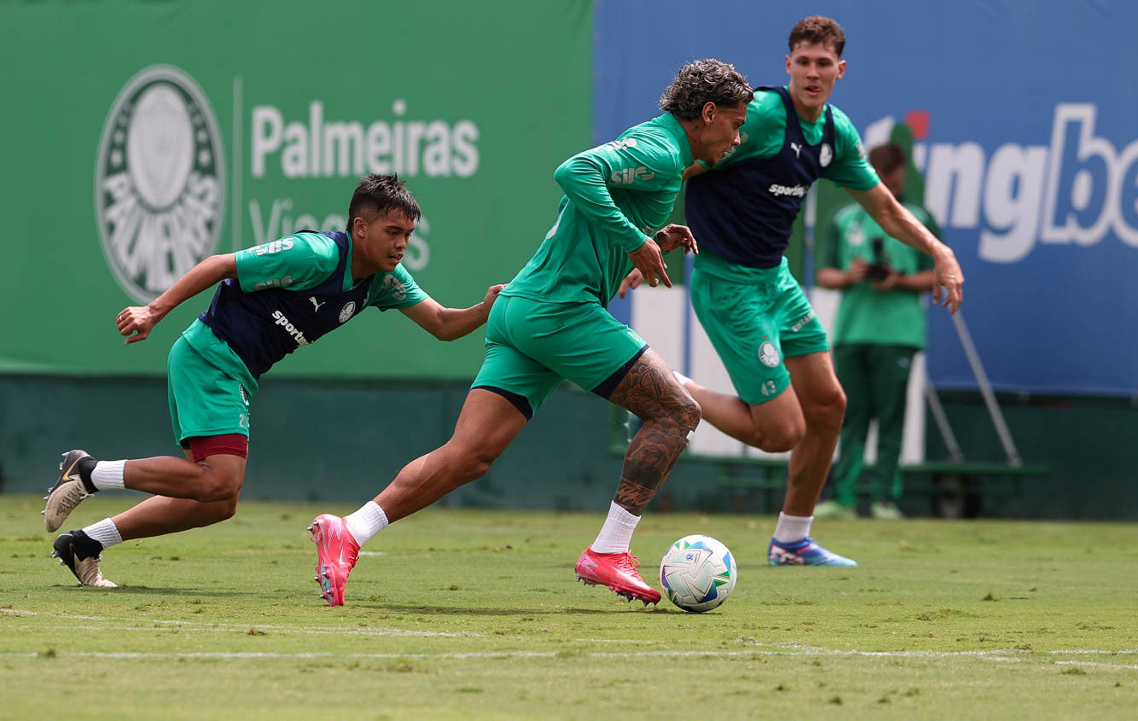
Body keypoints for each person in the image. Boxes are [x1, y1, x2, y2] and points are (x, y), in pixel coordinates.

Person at [307, 59, 753, 607]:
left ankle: (349, 530)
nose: (738, 137)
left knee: (467, 456)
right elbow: (574, 172)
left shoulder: (658, 147)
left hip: (523, 308)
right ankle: (610, 549)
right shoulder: (662, 150)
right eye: (735, 124)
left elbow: (589, 213)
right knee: (678, 411)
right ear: (707, 113)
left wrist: (650, 237)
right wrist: (636, 241)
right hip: (560, 310)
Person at [43, 174, 502, 588]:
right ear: (360, 228)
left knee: (217, 500)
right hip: (211, 355)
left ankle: (86, 543)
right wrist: (152, 311)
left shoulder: (383, 280)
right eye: (393, 232)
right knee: (220, 482)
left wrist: (484, 310)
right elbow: (220, 264)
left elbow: (442, 324)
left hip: (235, 370)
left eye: (408, 235)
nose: (401, 244)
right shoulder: (317, 254)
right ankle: (89, 473)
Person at [619, 16, 964, 565]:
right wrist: (642, 240)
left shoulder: (835, 133)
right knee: (781, 432)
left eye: (823, 63)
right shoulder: (759, 116)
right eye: (803, 61)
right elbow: (679, 163)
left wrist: (939, 251)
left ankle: (792, 541)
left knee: (828, 405)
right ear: (788, 65)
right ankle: (671, 387)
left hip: (775, 279)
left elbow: (885, 208)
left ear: (840, 70)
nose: (812, 72)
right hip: (728, 285)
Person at [816, 143, 941, 520]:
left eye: (894, 181)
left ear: (902, 176)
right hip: (852, 332)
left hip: (899, 334)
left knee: (891, 418)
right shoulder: (843, 219)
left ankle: (885, 499)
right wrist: (850, 276)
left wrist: (900, 279)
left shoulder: (919, 218)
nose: (888, 187)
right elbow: (824, 274)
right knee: (850, 416)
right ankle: (844, 498)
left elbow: (937, 273)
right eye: (882, 179)